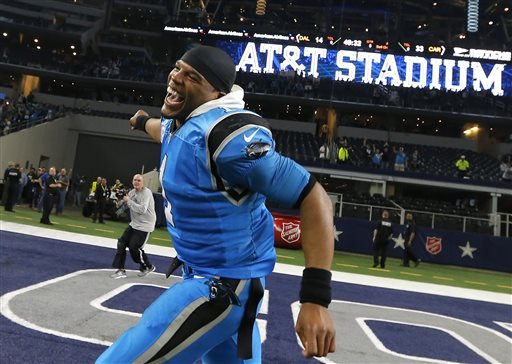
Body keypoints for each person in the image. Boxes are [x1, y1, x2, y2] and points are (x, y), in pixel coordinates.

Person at [96, 45, 335, 363]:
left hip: (223, 286)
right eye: (178, 67)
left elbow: (313, 196)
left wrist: (316, 298)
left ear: (216, 92)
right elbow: (164, 130)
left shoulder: (229, 139)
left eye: (192, 76)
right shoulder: (180, 121)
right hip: (212, 276)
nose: (177, 77)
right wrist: (141, 121)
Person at [110, 174, 156, 279]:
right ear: (132, 181)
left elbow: (142, 210)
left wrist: (128, 201)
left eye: (139, 180)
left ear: (143, 182)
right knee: (121, 242)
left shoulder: (146, 193)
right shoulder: (132, 192)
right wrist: (119, 208)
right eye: (135, 180)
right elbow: (126, 206)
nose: (136, 182)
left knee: (134, 247)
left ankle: (147, 266)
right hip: (134, 224)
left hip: (145, 225)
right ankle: (120, 270)